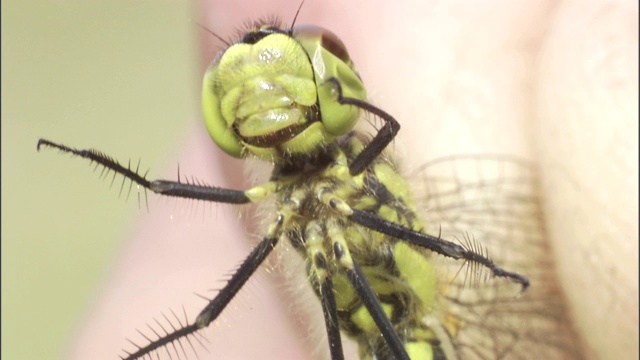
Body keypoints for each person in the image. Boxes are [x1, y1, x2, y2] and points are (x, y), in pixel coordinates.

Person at [69, 0, 638, 359]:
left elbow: (391, 134)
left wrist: (483, 263)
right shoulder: (275, 196)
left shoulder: (364, 162)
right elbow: (162, 192)